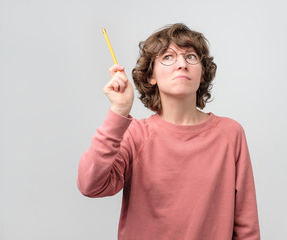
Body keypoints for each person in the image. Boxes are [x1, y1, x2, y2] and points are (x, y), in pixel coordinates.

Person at [77, 23, 260, 240]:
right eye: (168, 57)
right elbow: (90, 184)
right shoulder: (135, 135)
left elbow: (246, 226)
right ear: (151, 75)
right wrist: (118, 111)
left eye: (191, 56)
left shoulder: (231, 134)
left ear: (202, 73)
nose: (182, 64)